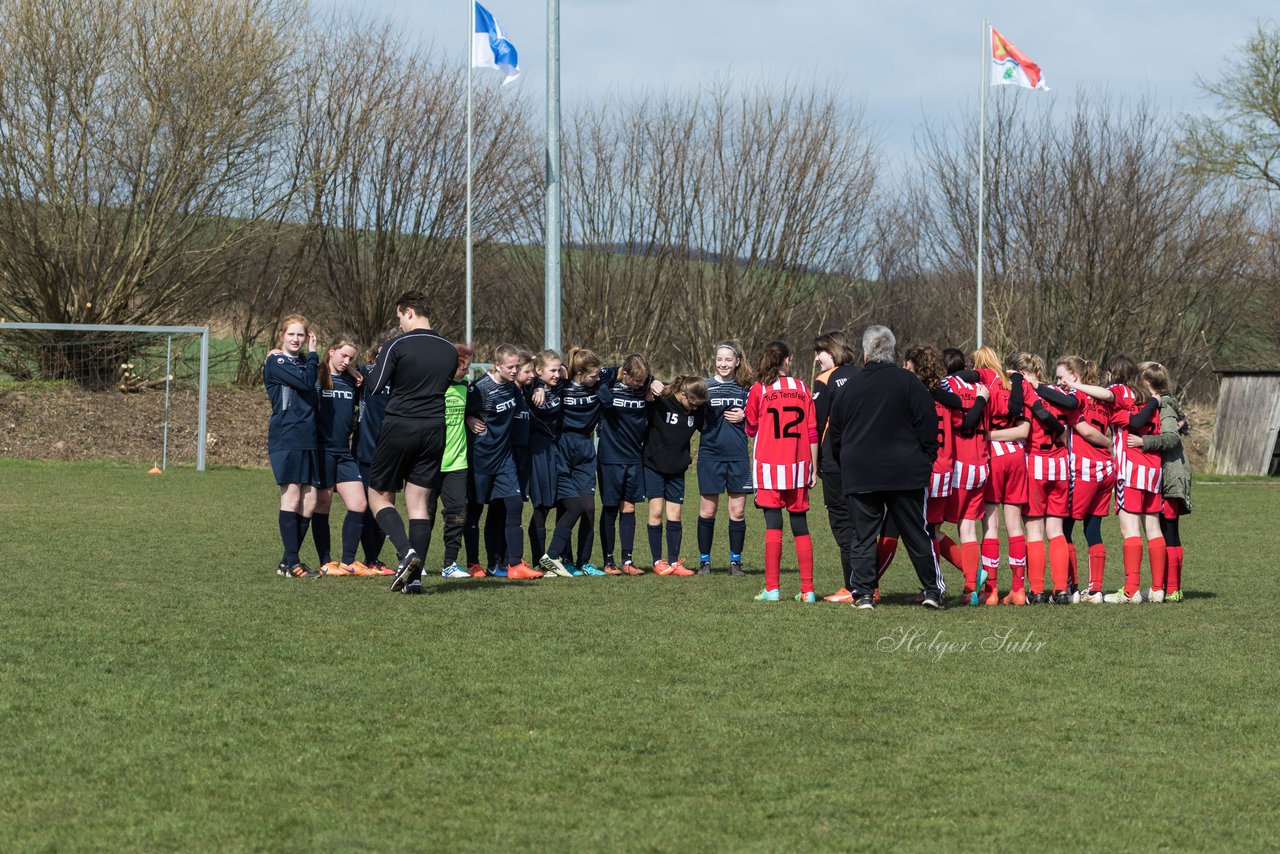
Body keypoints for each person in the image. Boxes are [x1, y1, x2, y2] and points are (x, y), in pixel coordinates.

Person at [826, 326, 943, 610]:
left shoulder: (848, 387)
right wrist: (926, 459)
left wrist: (848, 463)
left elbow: (836, 435)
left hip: (861, 471)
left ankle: (864, 593)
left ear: (865, 353)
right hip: (904, 472)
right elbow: (929, 426)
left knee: (863, 535)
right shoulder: (909, 383)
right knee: (917, 533)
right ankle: (931, 590)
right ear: (892, 352)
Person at [365, 291, 460, 594]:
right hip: (435, 429)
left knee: (378, 495)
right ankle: (415, 582)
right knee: (419, 503)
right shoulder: (449, 349)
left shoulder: (398, 344)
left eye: (398, 318)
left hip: (400, 425)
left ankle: (406, 552)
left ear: (407, 312)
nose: (399, 324)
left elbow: (375, 386)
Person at [1068, 355, 1164, 604]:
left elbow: (1111, 398)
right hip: (1153, 468)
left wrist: (1074, 385)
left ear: (1114, 373)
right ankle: (1157, 588)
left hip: (1130, 468)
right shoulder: (1146, 397)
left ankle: (1131, 590)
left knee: (1130, 529)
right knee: (1153, 529)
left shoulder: (1121, 396)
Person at [744, 341, 819, 603]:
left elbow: (750, 427)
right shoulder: (802, 388)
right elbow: (812, 431)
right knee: (800, 525)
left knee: (773, 525)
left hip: (769, 467)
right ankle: (808, 590)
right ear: (787, 360)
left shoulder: (758, 389)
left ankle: (772, 588)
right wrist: (814, 466)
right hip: (799, 467)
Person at [466, 344, 543, 580]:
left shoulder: (513, 388)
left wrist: (540, 386)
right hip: (481, 459)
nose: (514, 371)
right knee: (475, 512)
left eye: (517, 366)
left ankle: (515, 564)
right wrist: (469, 418)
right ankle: (473, 563)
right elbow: (462, 411)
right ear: (497, 365)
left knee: (514, 505)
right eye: (510, 367)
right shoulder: (480, 388)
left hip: (505, 459)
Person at [1010, 352, 1081, 605]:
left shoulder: (1026, 395)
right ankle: (1061, 589)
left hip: (1036, 463)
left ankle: (1037, 590)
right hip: (1060, 463)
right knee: (1056, 530)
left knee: (1034, 531)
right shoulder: (1058, 394)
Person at [539, 348, 605, 576]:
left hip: (585, 450)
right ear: (579, 373)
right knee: (567, 505)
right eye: (593, 375)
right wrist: (539, 385)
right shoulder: (561, 387)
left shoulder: (598, 385)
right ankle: (562, 559)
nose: (597, 378)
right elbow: (538, 381)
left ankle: (584, 562)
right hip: (562, 447)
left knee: (588, 508)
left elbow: (621, 372)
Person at [313, 333, 374, 576]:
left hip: (344, 452)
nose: (346, 360)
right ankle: (326, 561)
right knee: (323, 504)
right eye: (343, 354)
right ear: (331, 351)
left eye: (350, 357)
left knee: (359, 503)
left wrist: (351, 372)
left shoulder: (352, 381)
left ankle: (348, 561)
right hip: (321, 450)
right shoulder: (317, 377)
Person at [1056, 355, 1114, 603]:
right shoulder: (1102, 399)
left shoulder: (1075, 398)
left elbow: (1086, 431)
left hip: (1083, 469)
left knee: (1064, 529)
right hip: (1106, 469)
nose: (1057, 382)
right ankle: (1096, 590)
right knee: (1093, 530)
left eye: (1060, 377)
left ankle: (1072, 589)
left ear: (1074, 376)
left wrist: (1110, 443)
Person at [266, 315, 320, 578]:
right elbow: (307, 382)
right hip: (287, 436)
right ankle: (293, 563)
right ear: (281, 336)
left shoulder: (303, 363)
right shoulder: (276, 361)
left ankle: (288, 561)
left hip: (308, 438)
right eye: (291, 335)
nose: (296, 339)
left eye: (301, 335)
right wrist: (313, 354)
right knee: (292, 496)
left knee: (309, 502)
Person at [809, 332, 861, 601]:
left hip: (835, 463)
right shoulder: (862, 375)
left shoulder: (824, 381)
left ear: (835, 351)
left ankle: (852, 588)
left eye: (821, 352)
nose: (817, 357)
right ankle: (867, 586)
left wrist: (813, 464)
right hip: (865, 462)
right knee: (862, 524)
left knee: (842, 524)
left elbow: (815, 426)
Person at [596, 354, 657, 576]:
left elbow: (661, 386)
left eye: (644, 380)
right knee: (611, 507)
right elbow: (596, 374)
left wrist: (654, 382)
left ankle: (627, 561)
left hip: (634, 457)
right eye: (638, 380)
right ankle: (608, 561)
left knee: (629, 507)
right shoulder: (609, 382)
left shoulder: (645, 387)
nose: (641, 384)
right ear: (626, 374)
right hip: (610, 456)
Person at [696, 342, 754, 576]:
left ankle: (735, 563)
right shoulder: (705, 387)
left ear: (737, 361)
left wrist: (746, 415)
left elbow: (758, 419)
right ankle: (704, 562)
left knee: (737, 512)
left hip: (738, 457)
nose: (723, 364)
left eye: (728, 360)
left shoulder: (746, 389)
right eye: (719, 359)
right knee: (708, 511)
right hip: (710, 456)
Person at [1136, 362, 1191, 603]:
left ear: (1148, 384)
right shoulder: (1166, 404)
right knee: (1170, 532)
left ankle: (1172, 588)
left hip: (1171, 477)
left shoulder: (1165, 406)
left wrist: (1143, 442)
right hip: (1171, 475)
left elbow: (1170, 438)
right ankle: (1172, 588)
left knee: (1170, 533)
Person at [642, 375, 708, 575]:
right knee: (656, 512)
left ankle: (673, 563)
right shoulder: (661, 402)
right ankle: (657, 562)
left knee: (675, 515)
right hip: (653, 465)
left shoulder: (697, 411)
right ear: (683, 394)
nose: (695, 409)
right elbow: (644, 385)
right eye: (693, 404)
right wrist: (650, 383)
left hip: (677, 469)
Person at [426, 342, 476, 579]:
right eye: (463, 368)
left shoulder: (467, 388)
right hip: (428, 462)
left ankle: (450, 564)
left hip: (457, 463)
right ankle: (417, 560)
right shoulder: (430, 388)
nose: (466, 373)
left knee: (458, 512)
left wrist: (470, 417)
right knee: (425, 513)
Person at [354, 333, 397, 576]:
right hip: (366, 453)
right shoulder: (364, 375)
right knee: (366, 508)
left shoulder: (402, 380)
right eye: (381, 353)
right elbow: (338, 365)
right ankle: (369, 558)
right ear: (374, 354)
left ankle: (374, 559)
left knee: (386, 507)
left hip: (392, 453)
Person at [526, 350, 566, 573]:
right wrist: (538, 386)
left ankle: (557, 556)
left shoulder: (559, 385)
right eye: (552, 370)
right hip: (537, 452)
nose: (557, 373)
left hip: (554, 450)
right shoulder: (531, 389)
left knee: (561, 503)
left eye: (558, 369)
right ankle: (538, 559)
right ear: (538, 371)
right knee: (541, 506)